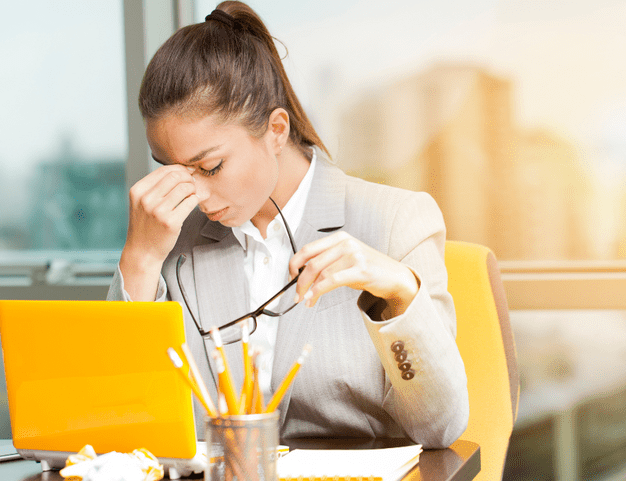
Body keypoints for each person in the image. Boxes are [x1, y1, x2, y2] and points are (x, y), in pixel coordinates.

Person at [107, 1, 468, 448]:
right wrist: (139, 260)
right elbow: (119, 425)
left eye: (211, 166)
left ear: (276, 130)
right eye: (174, 170)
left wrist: (399, 292)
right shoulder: (167, 240)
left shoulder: (395, 220)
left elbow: (440, 427)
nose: (194, 195)